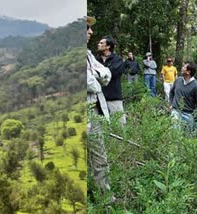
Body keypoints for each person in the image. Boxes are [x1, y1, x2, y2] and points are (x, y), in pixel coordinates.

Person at [87, 16, 113, 193]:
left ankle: (105, 198)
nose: (91, 32)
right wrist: (96, 78)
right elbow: (91, 83)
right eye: (86, 28)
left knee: (100, 157)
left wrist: (94, 75)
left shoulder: (88, 54)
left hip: (94, 113)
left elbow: (107, 74)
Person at [96, 35, 126, 125]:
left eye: (101, 43)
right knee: (98, 127)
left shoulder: (117, 60)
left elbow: (112, 73)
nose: (98, 44)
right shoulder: (95, 60)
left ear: (108, 46)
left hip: (113, 98)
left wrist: (98, 73)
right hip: (98, 99)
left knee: (119, 125)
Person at [169, 62, 197, 133]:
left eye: (184, 67)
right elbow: (171, 92)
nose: (182, 68)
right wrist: (171, 104)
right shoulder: (178, 80)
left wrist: (193, 116)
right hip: (176, 111)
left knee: (186, 136)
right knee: (174, 132)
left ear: (188, 72)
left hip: (188, 114)